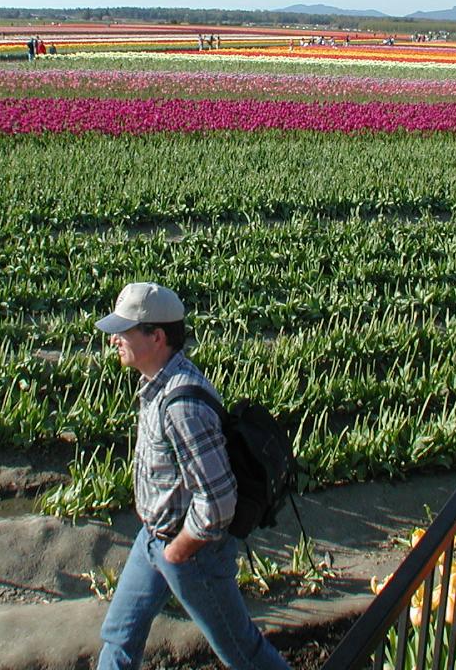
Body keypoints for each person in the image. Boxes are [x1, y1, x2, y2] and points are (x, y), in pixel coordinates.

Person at [94, 283, 288, 670]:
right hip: (153, 538)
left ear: (157, 336)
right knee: (118, 637)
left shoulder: (182, 405)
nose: (114, 339)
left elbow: (217, 504)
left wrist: (178, 551)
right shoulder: (157, 382)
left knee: (242, 652)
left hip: (190, 552)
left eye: (125, 330)